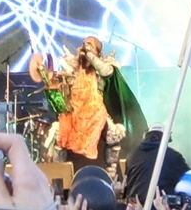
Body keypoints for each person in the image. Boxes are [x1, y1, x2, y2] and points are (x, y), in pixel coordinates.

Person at [54, 37, 145, 175]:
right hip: (76, 115)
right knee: (58, 135)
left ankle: (110, 174)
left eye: (90, 44)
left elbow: (106, 72)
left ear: (98, 51)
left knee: (113, 135)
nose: (85, 46)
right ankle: (60, 176)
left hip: (96, 113)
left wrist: (90, 56)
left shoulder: (103, 66)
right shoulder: (74, 69)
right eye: (84, 44)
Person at [123, 125, 191, 206]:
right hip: (160, 208)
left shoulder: (132, 155)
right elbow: (189, 180)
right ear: (166, 138)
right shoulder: (173, 155)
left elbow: (126, 183)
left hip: (135, 208)